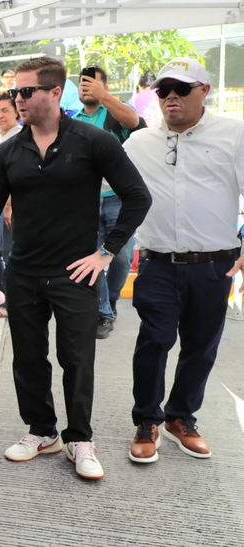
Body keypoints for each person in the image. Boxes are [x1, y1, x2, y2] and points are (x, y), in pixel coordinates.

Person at [0, 56, 151, 480]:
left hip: (74, 272)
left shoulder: (93, 141)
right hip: (23, 271)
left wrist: (106, 253)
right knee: (27, 358)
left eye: (26, 92)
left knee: (76, 358)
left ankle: (80, 437)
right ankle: (42, 431)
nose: (17, 100)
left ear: (54, 92)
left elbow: (138, 196)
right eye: (13, 93)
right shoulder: (9, 150)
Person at [124, 57, 244, 464]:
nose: (171, 96)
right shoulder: (138, 144)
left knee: (201, 346)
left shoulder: (234, 134)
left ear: (204, 90)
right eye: (163, 90)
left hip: (215, 263)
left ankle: (181, 418)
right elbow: (101, 187)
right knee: (154, 340)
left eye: (181, 88)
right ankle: (146, 420)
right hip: (157, 261)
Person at [73, 65, 142, 339]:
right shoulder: (73, 120)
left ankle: (111, 299)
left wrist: (104, 98)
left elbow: (134, 122)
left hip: (117, 199)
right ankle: (103, 312)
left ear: (105, 87)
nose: (85, 88)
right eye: (82, 84)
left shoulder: (114, 112)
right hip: (85, 202)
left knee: (122, 256)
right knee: (93, 256)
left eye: (92, 83)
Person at [0, 91, 22, 318]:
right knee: (1, 255)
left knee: (12, 256)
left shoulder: (18, 136)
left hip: (13, 209)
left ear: (16, 111)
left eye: (5, 110)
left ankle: (13, 303)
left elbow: (14, 176)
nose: (0, 115)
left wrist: (9, 207)